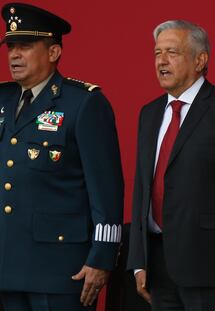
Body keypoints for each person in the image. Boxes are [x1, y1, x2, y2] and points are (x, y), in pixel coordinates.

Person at [126, 20, 215, 311]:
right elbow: (142, 188)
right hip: (158, 266)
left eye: (172, 52)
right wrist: (138, 261)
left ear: (201, 60)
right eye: (157, 53)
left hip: (213, 268)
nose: (161, 61)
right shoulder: (149, 113)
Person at [0, 3, 124, 311]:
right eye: (11, 47)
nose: (14, 55)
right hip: (6, 266)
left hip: (60, 269)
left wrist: (102, 256)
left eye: (25, 47)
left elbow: (106, 190)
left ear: (53, 52)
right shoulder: (2, 99)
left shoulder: (83, 103)